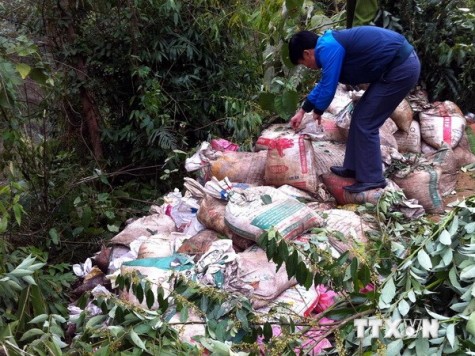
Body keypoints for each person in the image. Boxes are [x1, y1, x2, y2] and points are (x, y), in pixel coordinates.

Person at [288, 26, 420, 193]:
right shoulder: (327, 45)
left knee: (366, 122)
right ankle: (353, 167)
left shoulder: (328, 47)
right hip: (392, 69)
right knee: (359, 116)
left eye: (303, 63)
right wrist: (303, 110)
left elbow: (328, 88)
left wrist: (319, 110)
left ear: (307, 53)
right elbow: (323, 83)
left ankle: (373, 178)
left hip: (400, 68)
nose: (307, 66)